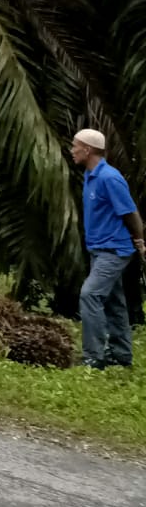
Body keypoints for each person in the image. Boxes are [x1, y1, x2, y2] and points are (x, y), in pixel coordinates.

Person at [69, 129, 144, 369]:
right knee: (113, 302)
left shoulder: (109, 178)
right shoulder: (91, 177)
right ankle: (122, 356)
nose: (72, 151)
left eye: (75, 146)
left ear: (87, 149)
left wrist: (139, 241)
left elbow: (131, 212)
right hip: (99, 249)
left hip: (114, 250)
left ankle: (94, 357)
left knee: (90, 295)